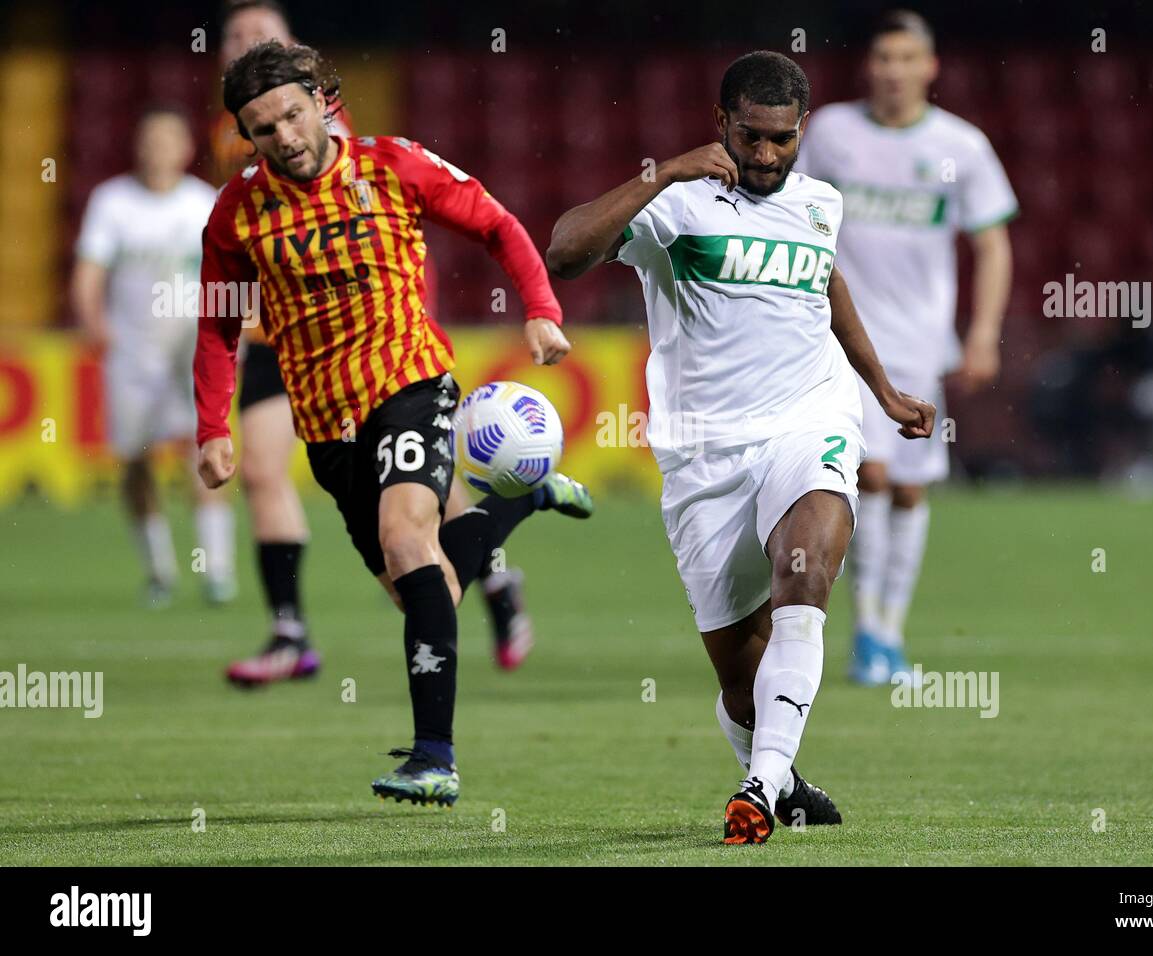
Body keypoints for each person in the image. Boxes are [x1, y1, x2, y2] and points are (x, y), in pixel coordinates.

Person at [547, 51, 934, 844]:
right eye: (750, 138)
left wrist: (883, 391)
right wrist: (660, 176)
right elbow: (563, 250)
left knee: (808, 573)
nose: (765, 157)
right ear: (720, 123)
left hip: (808, 422)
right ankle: (782, 777)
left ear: (800, 134)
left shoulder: (820, 202)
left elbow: (826, 286)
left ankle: (757, 789)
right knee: (742, 685)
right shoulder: (678, 206)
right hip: (704, 459)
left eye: (781, 141)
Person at [195, 41, 591, 807]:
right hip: (324, 418)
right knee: (425, 591)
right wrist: (214, 426)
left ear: (321, 100)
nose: (283, 136)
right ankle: (520, 500)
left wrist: (540, 312)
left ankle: (434, 758)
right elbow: (216, 327)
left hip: (408, 380)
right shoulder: (237, 212)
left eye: (291, 114)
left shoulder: (392, 165)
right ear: (245, 136)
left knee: (409, 539)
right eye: (262, 128)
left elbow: (498, 226)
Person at [213, 0, 536, 686]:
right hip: (288, 345)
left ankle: (426, 727)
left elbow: (400, 231)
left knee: (411, 528)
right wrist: (212, 413)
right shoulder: (241, 138)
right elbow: (228, 275)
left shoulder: (325, 135)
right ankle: (294, 628)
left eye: (260, 35)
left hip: (376, 350)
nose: (246, 44)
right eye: (236, 37)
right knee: (291, 486)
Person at [796, 9, 1017, 685]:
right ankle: (867, 631)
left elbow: (992, 242)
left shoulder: (964, 146)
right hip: (843, 335)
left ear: (930, 66)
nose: (893, 71)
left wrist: (982, 332)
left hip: (922, 339)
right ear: (870, 65)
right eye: (883, 58)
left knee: (913, 488)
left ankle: (890, 628)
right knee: (870, 476)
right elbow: (792, 211)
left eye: (906, 58)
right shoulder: (831, 132)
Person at [71, 108, 237, 608]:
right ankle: (160, 571)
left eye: (168, 139)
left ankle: (216, 570)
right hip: (132, 350)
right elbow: (90, 269)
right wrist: (92, 321)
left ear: (186, 148)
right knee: (135, 461)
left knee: (204, 453)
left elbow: (227, 274)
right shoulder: (113, 202)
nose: (158, 148)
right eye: (150, 138)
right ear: (137, 146)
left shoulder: (202, 203)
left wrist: (232, 337)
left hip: (192, 350)